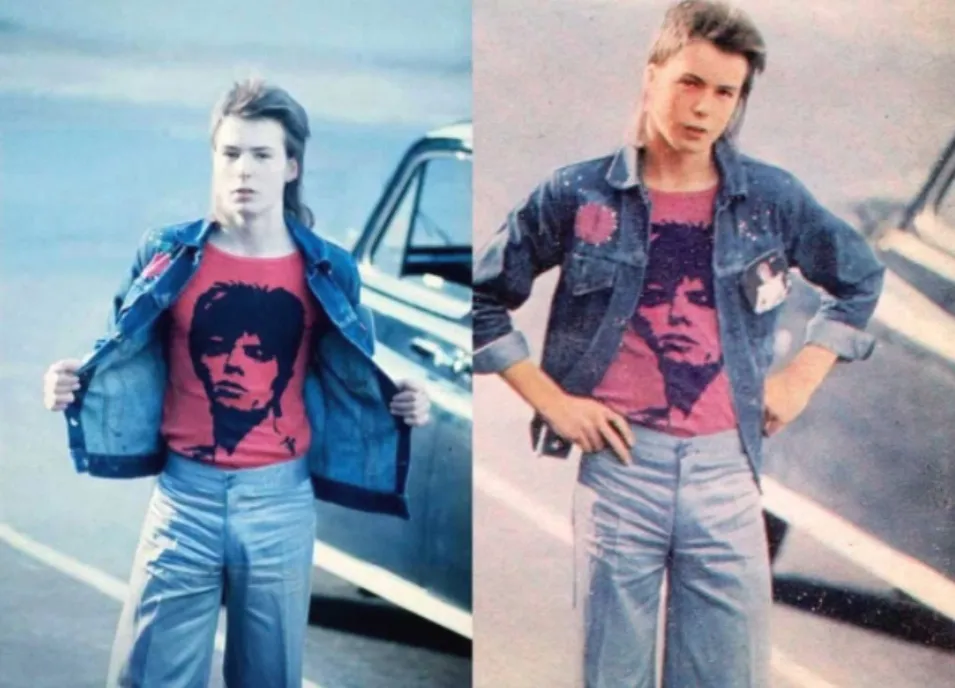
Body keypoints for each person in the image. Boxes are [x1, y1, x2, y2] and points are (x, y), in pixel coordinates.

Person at [472, 1, 885, 686]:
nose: (702, 108)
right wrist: (551, 401)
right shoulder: (577, 195)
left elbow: (859, 281)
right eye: (688, 83)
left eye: (724, 93)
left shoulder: (770, 201)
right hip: (619, 471)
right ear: (651, 76)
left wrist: (800, 376)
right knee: (615, 676)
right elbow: (481, 297)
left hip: (727, 472)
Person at [42, 78, 431, 688]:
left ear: (291, 166)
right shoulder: (168, 254)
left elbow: (359, 372)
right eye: (230, 154)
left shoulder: (329, 269)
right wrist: (67, 382)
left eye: (261, 155)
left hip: (279, 503)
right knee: (148, 679)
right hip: (184, 499)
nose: (243, 170)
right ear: (214, 159)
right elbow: (117, 351)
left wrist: (408, 399)